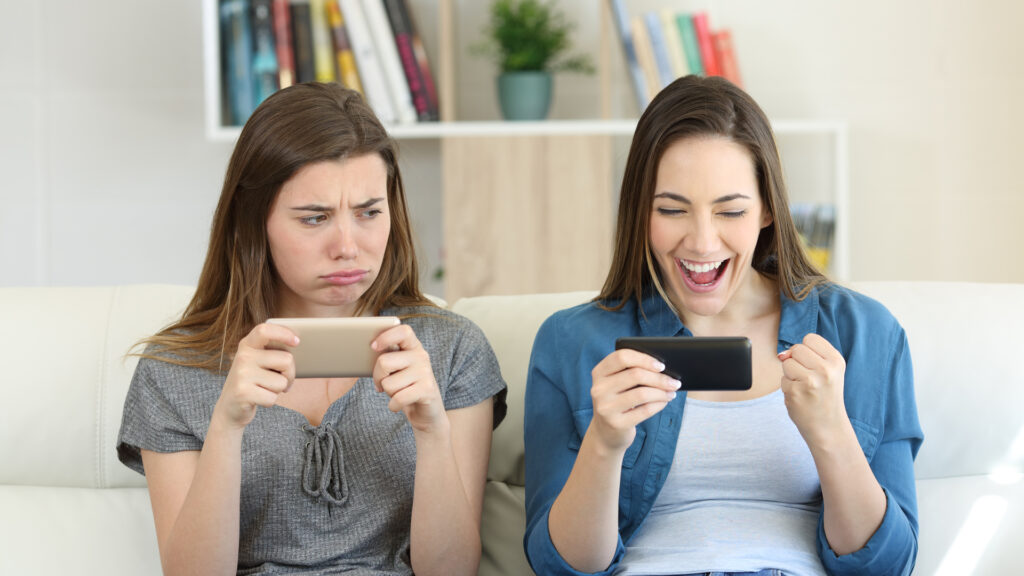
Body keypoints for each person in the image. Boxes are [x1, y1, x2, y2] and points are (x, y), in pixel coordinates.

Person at [523, 75, 922, 576]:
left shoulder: (866, 332)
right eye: (672, 209)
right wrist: (604, 443)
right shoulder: (570, 342)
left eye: (730, 210)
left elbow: (888, 566)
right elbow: (557, 567)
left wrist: (832, 435)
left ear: (768, 211)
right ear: (639, 212)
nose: (703, 243)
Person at [117, 82, 507, 576]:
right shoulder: (173, 370)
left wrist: (432, 432)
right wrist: (226, 427)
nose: (348, 246)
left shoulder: (452, 349)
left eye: (369, 213)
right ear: (253, 221)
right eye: (314, 218)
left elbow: (452, 573)